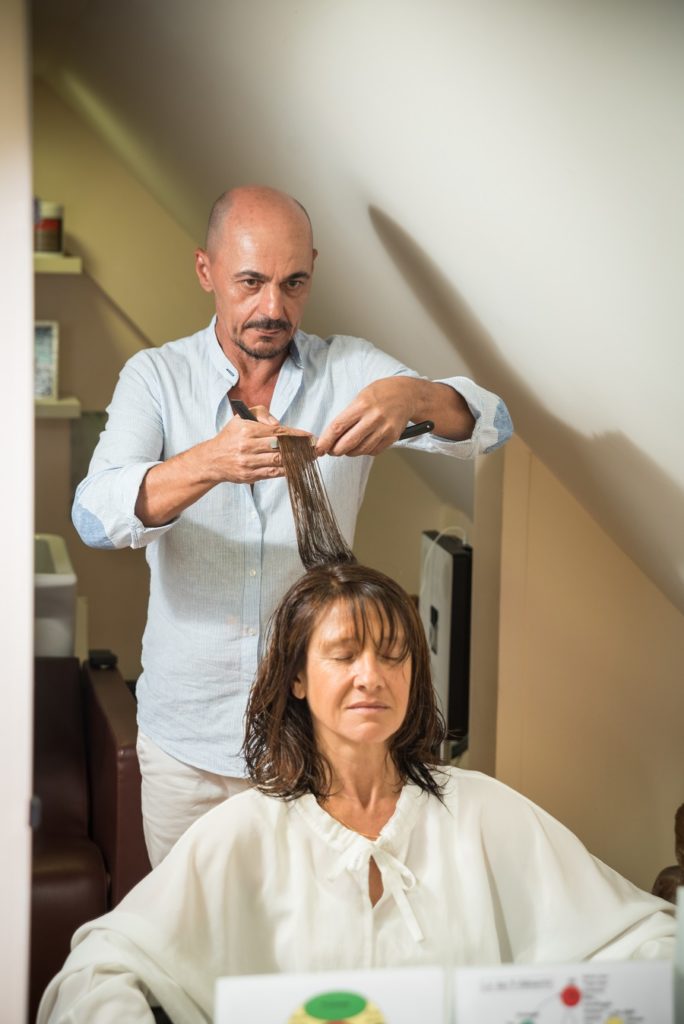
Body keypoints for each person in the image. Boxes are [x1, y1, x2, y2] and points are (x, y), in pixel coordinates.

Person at [71, 184, 513, 865]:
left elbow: (492, 425)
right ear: (205, 271)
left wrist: (414, 396)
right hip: (185, 746)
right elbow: (95, 516)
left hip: (314, 740)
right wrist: (207, 463)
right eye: (250, 282)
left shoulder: (353, 369)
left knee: (304, 950)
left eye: (293, 283)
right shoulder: (155, 379)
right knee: (192, 950)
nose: (272, 308)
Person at [38, 563, 675, 1023]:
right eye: (344, 656)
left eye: (393, 655)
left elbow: (644, 937)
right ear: (296, 679)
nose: (371, 676)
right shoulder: (245, 833)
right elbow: (99, 969)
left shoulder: (483, 812)